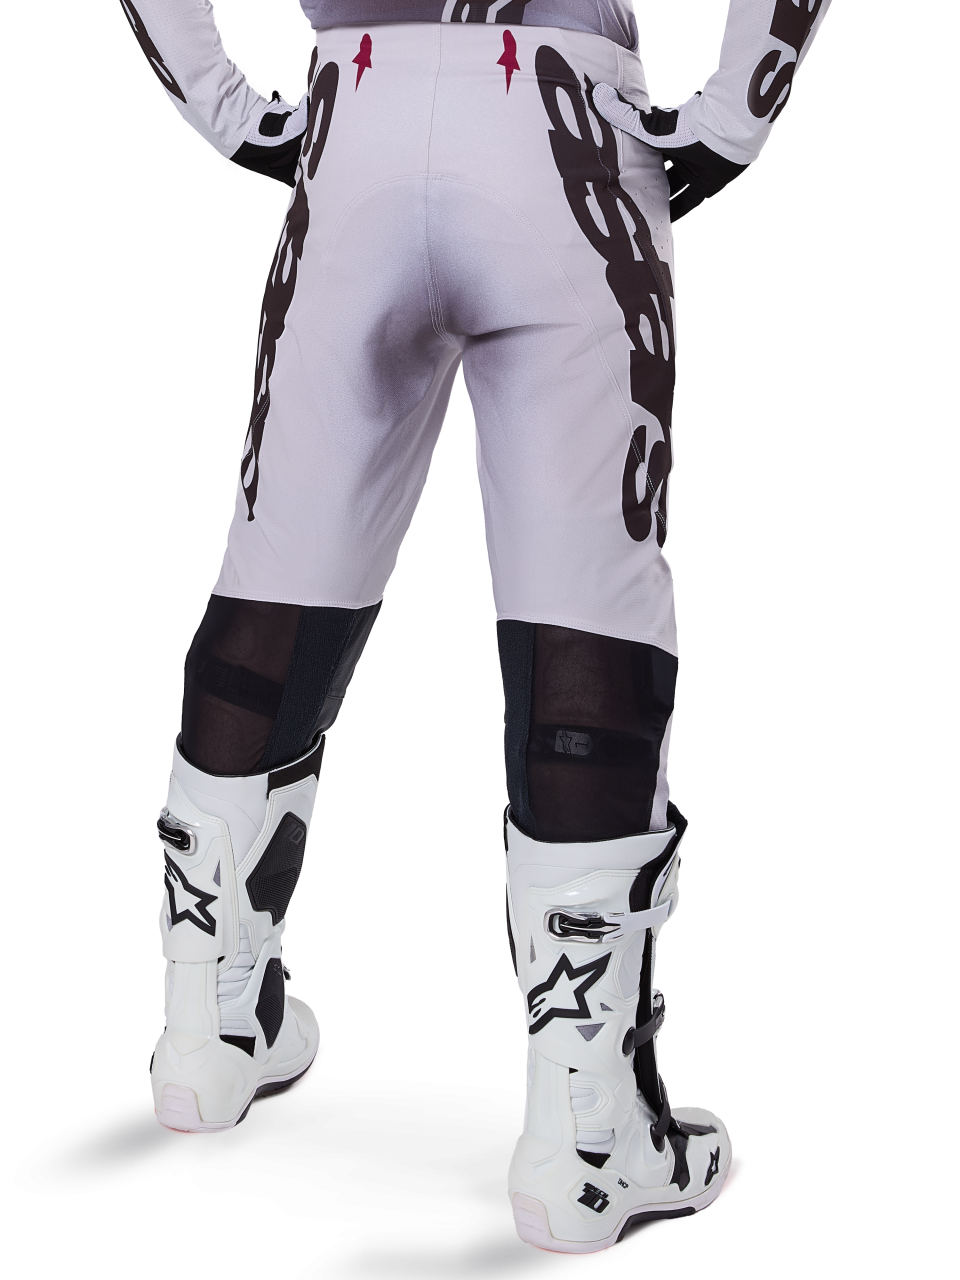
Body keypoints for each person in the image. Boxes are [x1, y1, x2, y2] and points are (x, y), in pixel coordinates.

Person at [122, 0, 831, 1257]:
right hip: (562, 122)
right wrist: (737, 112)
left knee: (276, 579)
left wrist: (224, 109)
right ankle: (589, 1143)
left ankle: (206, 1029)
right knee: (586, 624)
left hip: (354, 112)